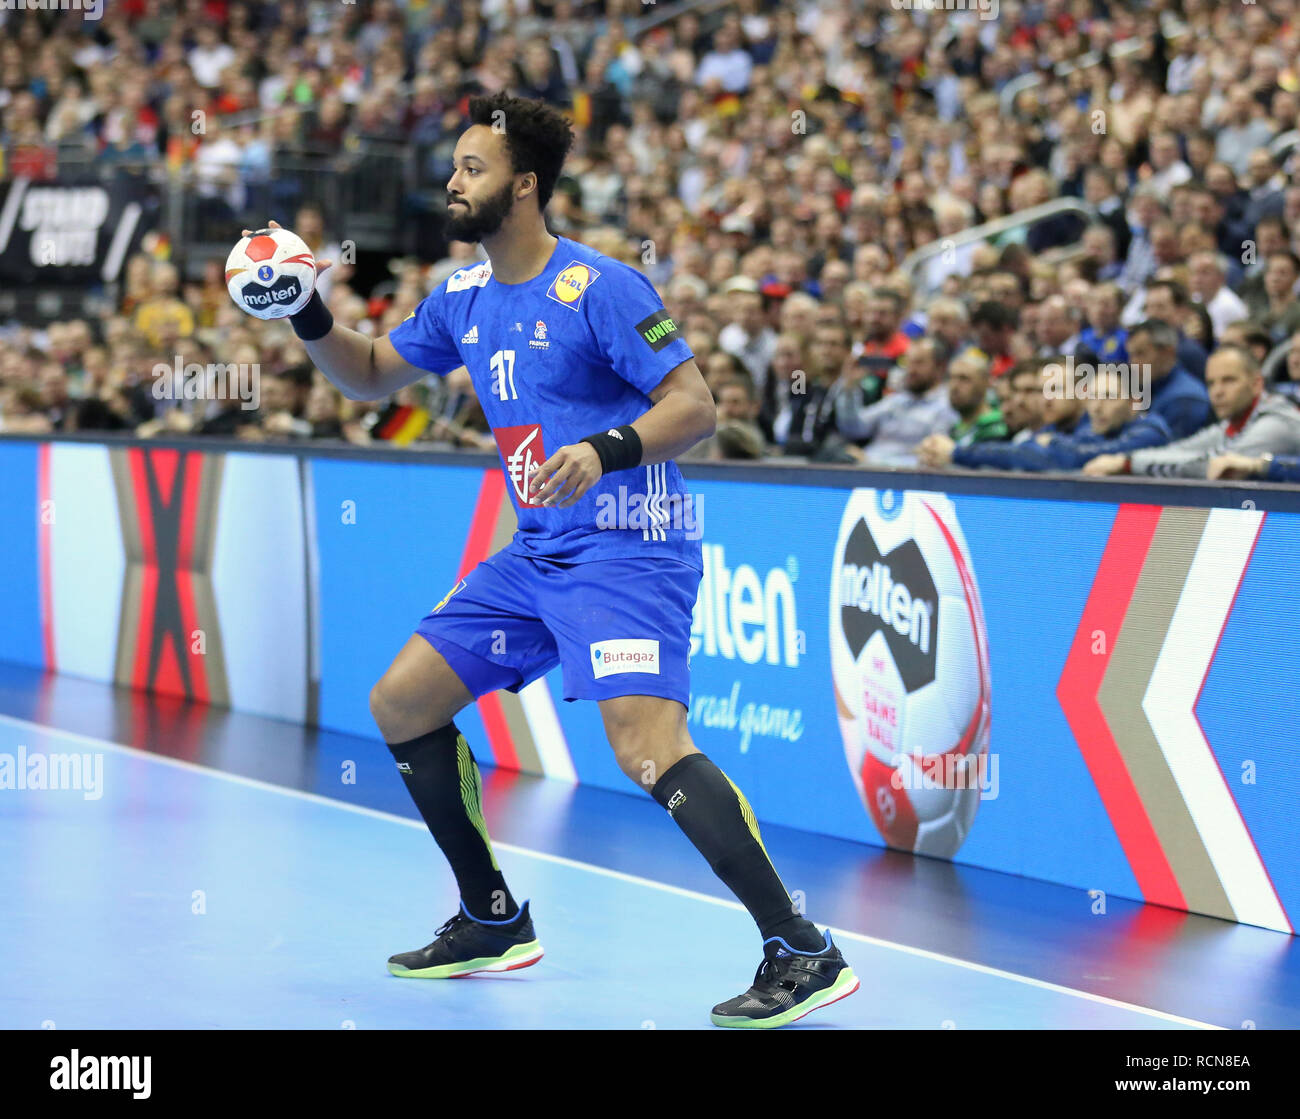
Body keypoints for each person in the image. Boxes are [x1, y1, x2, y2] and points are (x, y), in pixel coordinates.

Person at [234, 93, 856, 1030]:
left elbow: (696, 407)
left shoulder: (602, 287)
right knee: (402, 701)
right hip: (538, 550)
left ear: (523, 187)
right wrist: (306, 313)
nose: (452, 181)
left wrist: (605, 448)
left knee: (648, 748)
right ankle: (491, 914)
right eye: (454, 166)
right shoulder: (462, 297)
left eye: (472, 169)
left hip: (629, 548)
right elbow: (368, 373)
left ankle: (801, 946)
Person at [1085, 345, 1300, 478]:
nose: (1217, 392)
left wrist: (1128, 463)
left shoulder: (1277, 423)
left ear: (1256, 384)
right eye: (1211, 383)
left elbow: (1212, 465)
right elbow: (1182, 448)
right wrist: (1126, 459)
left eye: (1229, 381)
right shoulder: (1234, 422)